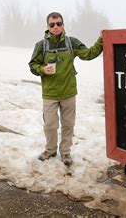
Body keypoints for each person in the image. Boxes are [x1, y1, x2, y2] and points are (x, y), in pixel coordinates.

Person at [28, 12, 103, 166]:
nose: (56, 27)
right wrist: (42, 69)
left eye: (59, 24)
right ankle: (50, 150)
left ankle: (66, 152)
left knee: (68, 124)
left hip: (68, 92)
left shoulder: (71, 42)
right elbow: (32, 66)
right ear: (47, 27)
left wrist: (101, 40)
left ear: (63, 25)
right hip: (50, 93)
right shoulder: (41, 46)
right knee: (50, 125)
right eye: (52, 24)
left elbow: (88, 54)